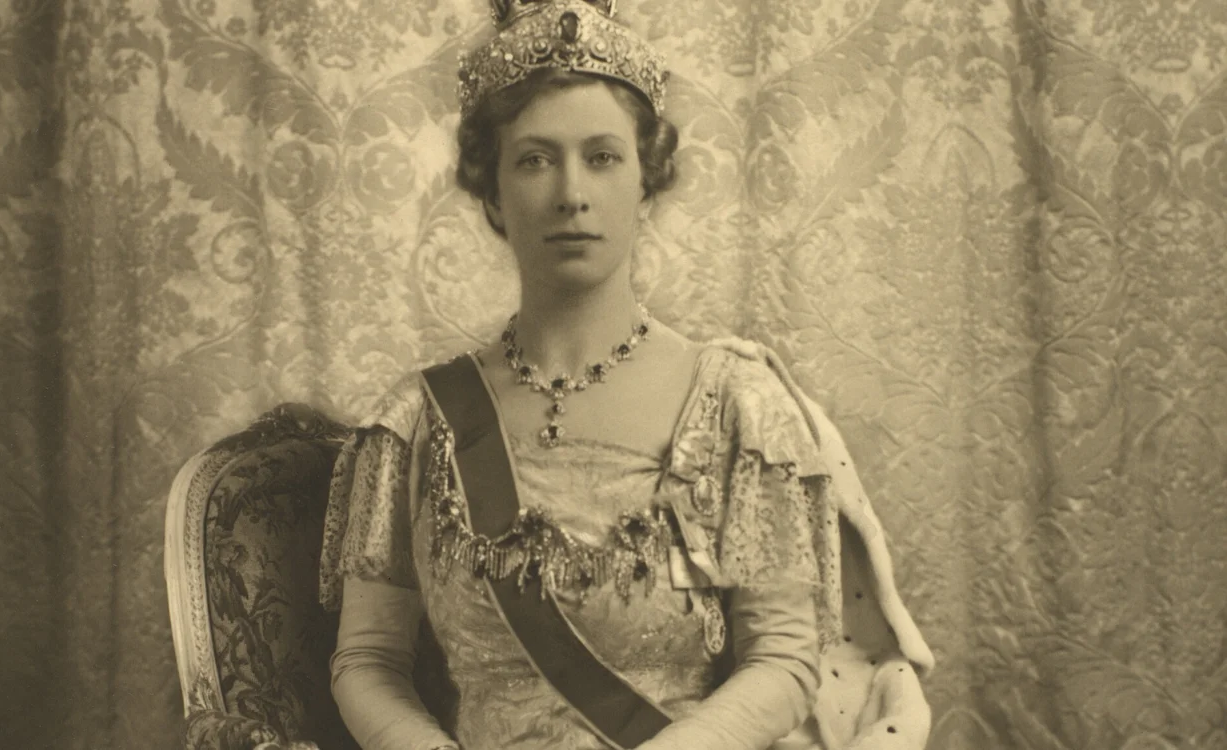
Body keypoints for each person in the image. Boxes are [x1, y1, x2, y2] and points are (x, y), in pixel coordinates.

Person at [318, 1, 935, 749]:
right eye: (535, 159)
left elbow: (783, 659)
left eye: (603, 157)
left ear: (646, 184)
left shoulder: (736, 404)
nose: (571, 193)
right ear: (492, 192)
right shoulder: (418, 420)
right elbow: (368, 661)